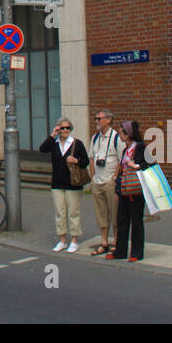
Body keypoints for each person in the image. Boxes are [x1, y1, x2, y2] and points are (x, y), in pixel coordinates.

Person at [39, 116, 88, 253]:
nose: (65, 130)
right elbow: (42, 149)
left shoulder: (77, 144)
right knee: (60, 212)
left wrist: (76, 160)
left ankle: (74, 240)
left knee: (73, 212)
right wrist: (52, 135)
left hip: (73, 184)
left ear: (70, 129)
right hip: (57, 183)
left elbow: (85, 162)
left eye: (67, 128)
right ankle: (62, 240)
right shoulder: (54, 143)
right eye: (62, 128)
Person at [106, 120, 150, 262]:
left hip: (136, 190)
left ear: (129, 134)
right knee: (122, 220)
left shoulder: (140, 147)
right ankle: (120, 251)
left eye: (121, 133)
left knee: (136, 222)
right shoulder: (126, 149)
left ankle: (136, 253)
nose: (119, 136)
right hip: (124, 189)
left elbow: (151, 163)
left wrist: (136, 165)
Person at [88, 108, 121, 256]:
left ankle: (117, 241)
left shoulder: (116, 138)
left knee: (114, 214)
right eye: (95, 119)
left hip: (110, 182)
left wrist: (114, 177)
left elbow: (122, 159)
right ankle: (104, 242)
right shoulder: (95, 138)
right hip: (98, 182)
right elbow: (91, 157)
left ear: (108, 120)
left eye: (99, 119)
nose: (96, 121)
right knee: (101, 214)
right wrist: (93, 176)